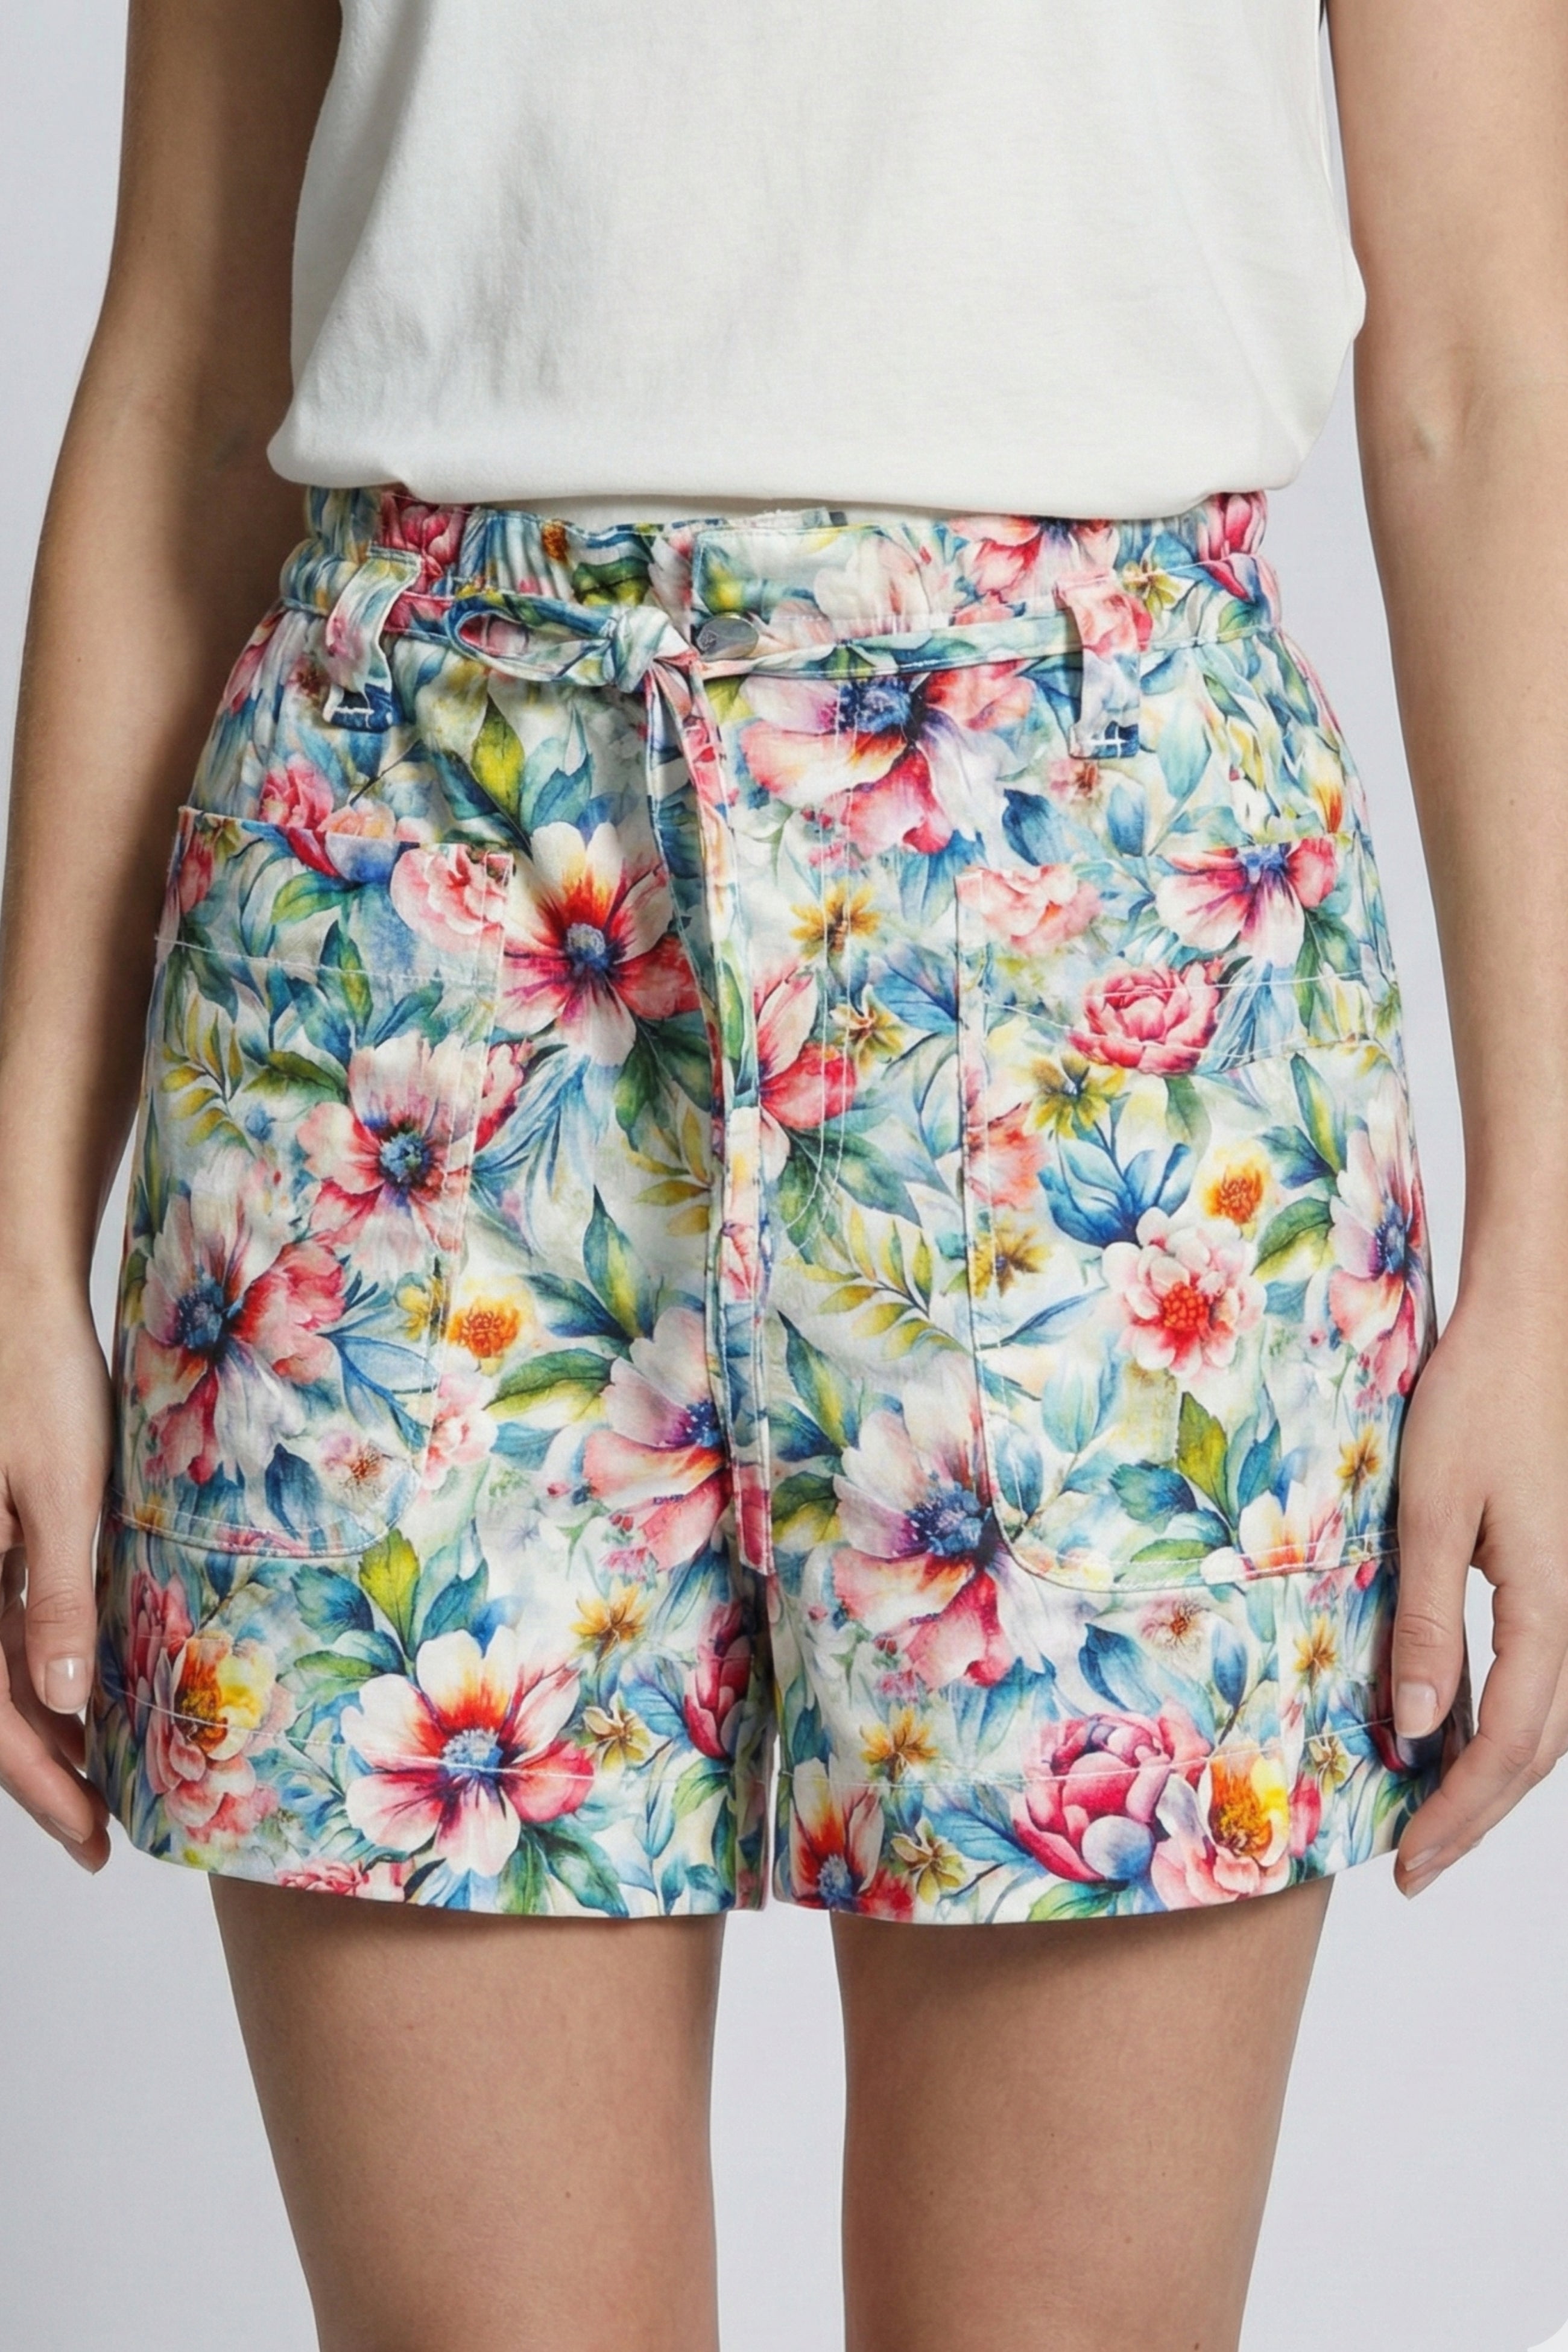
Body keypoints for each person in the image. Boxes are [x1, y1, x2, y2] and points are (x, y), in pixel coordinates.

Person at [2, 4, 1566, 2347]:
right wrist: (18, 1232)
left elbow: (1483, 371)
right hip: (415, 930)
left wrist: (1550, 1254)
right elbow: (190, 361)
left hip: (1098, 955)